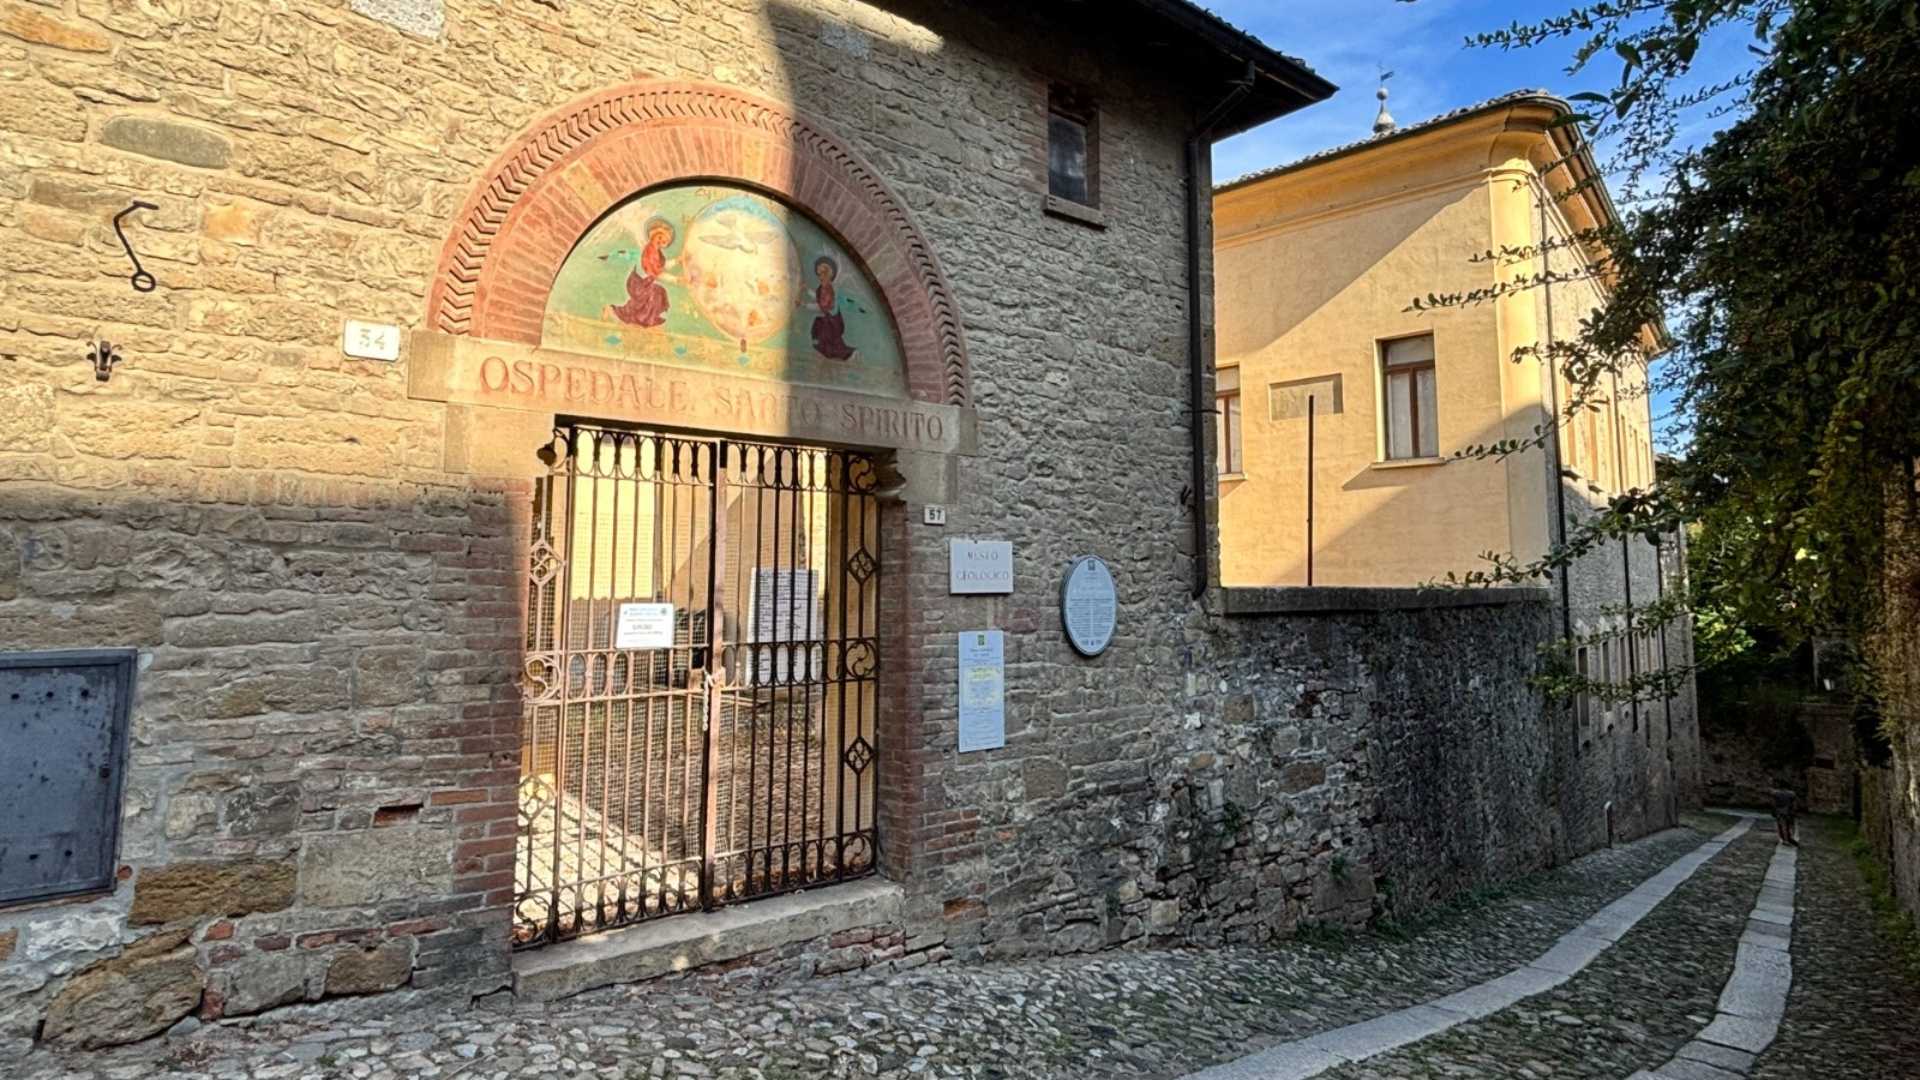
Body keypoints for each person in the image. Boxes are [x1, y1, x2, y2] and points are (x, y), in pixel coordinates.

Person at [605, 218, 676, 327]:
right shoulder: (649, 251)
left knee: (659, 292)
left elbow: (662, 266)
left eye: (664, 242)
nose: (660, 242)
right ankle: (615, 311)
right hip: (637, 283)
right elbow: (655, 272)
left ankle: (646, 319)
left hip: (646, 283)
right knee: (650, 295)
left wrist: (678, 261)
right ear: (652, 235)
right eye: (659, 237)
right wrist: (675, 279)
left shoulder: (657, 253)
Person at [807, 255, 857, 360]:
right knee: (826, 336)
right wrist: (806, 290)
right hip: (828, 317)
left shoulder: (828, 288)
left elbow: (823, 305)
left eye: (823, 274)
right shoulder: (822, 288)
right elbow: (818, 298)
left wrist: (805, 305)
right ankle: (828, 352)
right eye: (819, 274)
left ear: (829, 275)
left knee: (829, 336)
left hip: (832, 319)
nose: (820, 277)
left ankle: (845, 354)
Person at [1770, 780, 1798, 846]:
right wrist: (1794, 811)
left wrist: (1773, 811)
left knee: (1782, 826)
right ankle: (1792, 837)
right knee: (1791, 825)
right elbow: (1795, 804)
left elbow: (1773, 803)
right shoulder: (1792, 794)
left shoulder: (1775, 793)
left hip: (1779, 811)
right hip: (1789, 811)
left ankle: (1785, 840)